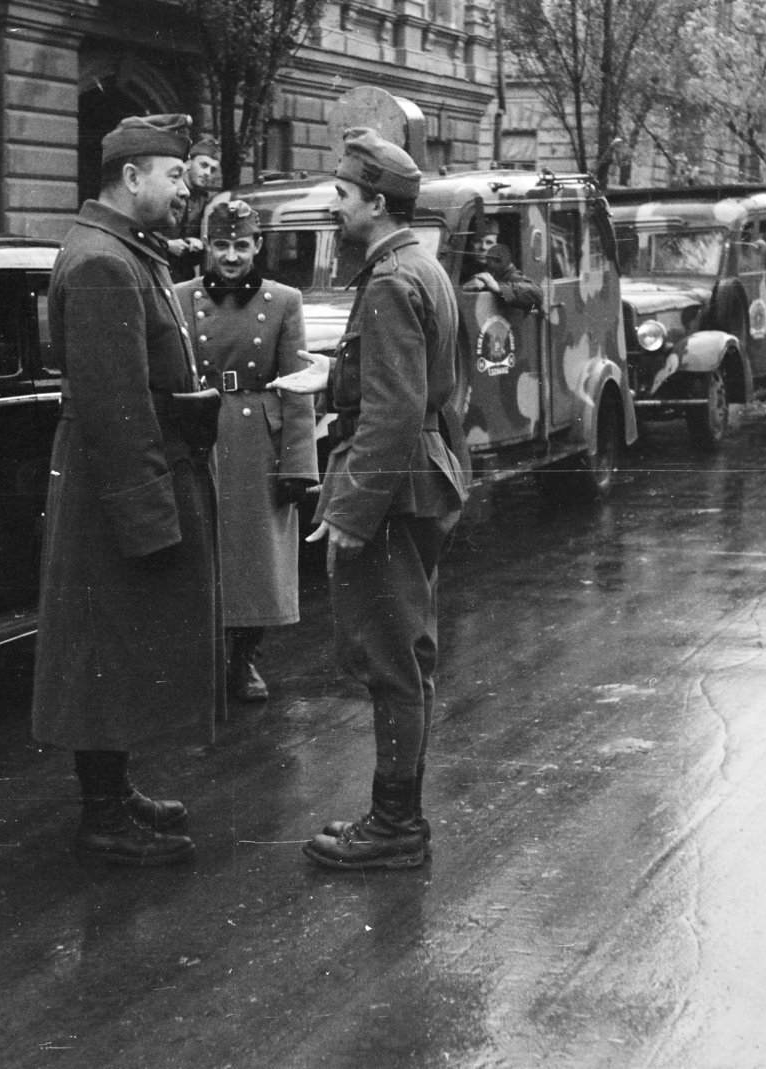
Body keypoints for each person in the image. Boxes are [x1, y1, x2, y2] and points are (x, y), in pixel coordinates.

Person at [32, 113, 225, 868]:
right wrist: (151, 517)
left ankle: (113, 788)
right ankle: (102, 814)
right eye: (175, 175)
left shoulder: (123, 250)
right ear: (132, 176)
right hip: (114, 486)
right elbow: (117, 410)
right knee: (102, 648)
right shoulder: (104, 264)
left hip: (117, 479)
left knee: (111, 643)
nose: (186, 188)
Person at [294, 128, 468, 871]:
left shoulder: (393, 281)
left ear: (375, 202)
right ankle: (397, 815)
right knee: (407, 655)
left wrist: (348, 512)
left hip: (393, 495)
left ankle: (395, 823)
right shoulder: (414, 266)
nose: (333, 206)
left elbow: (394, 412)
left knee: (393, 660)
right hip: (416, 483)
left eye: (341, 193)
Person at [174, 200, 319, 702]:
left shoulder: (283, 301)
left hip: (259, 438)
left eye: (241, 245)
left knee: (258, 559)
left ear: (257, 246)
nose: (231, 256)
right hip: (203, 434)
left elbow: (298, 386)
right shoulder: (180, 297)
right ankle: (206, 657)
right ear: (207, 248)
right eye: (221, 245)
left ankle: (245, 660)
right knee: (205, 550)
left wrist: (299, 464)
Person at [166, 135, 222, 282]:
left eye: (213, 169)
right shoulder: (168, 190)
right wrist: (167, 245)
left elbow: (207, 238)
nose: (207, 173)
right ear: (189, 163)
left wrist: (197, 243)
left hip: (183, 277)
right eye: (203, 165)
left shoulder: (204, 202)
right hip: (156, 269)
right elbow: (141, 227)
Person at [462, 220, 541, 312]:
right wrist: (463, 288)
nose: (483, 247)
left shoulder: (503, 269)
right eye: (477, 241)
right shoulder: (460, 267)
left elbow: (537, 294)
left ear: (496, 246)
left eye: (489, 242)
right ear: (470, 244)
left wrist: (497, 287)